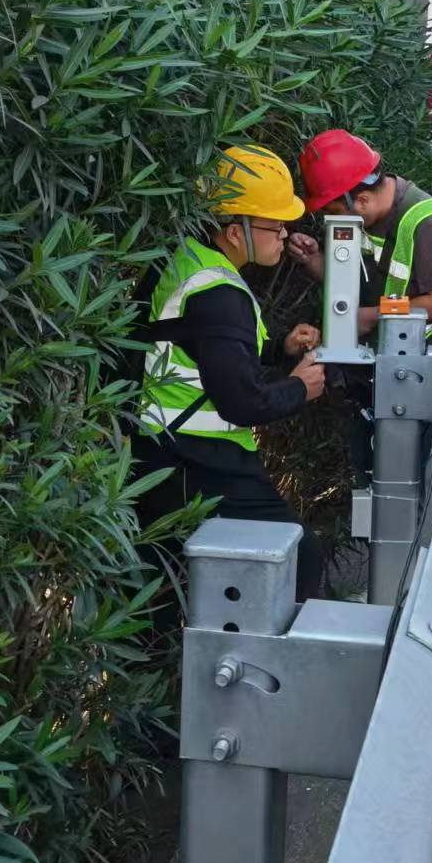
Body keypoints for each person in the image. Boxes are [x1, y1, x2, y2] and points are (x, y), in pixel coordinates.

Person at [132, 144, 327, 601]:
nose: (285, 233)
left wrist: (280, 347)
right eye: (273, 224)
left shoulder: (189, 260)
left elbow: (203, 347)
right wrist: (301, 386)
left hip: (157, 452)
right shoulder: (220, 293)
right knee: (298, 557)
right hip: (200, 463)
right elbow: (241, 401)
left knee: (165, 589)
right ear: (235, 231)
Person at [289, 129, 432, 342]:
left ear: (362, 201)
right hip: (383, 349)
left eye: (333, 212)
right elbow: (349, 282)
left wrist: (375, 315)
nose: (330, 219)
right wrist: (312, 259)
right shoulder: (362, 218)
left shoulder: (430, 225)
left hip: (425, 357)